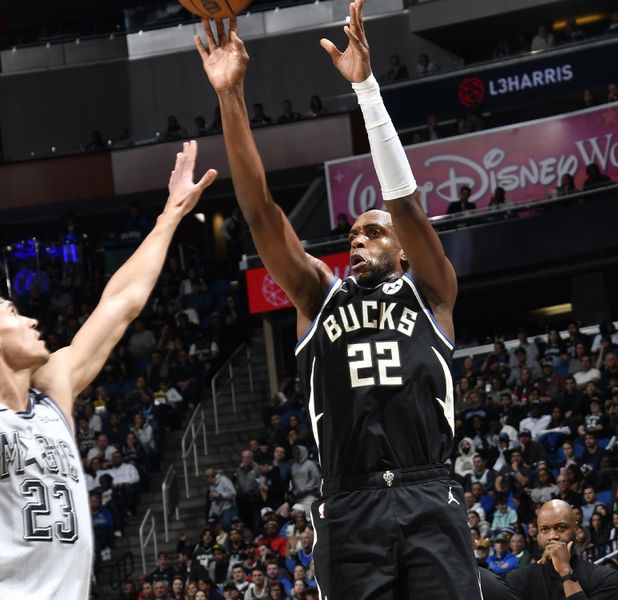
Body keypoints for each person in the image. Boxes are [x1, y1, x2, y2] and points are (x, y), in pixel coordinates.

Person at [195, 4, 480, 598]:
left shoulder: (431, 291)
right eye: (352, 235)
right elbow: (259, 213)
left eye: (372, 233)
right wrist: (231, 97)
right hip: (348, 502)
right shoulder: (317, 295)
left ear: (403, 250)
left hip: (428, 490)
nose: (358, 239)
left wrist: (368, 91)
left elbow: (404, 203)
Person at [0, 141, 215, 597]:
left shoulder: (53, 390)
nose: (32, 319)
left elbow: (121, 302)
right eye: (13, 314)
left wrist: (170, 216)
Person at [504, 499, 618, 600]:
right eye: (544, 529)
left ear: (577, 530)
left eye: (561, 527)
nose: (553, 536)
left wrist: (565, 572)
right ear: (538, 535)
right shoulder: (518, 579)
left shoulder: (604, 577)